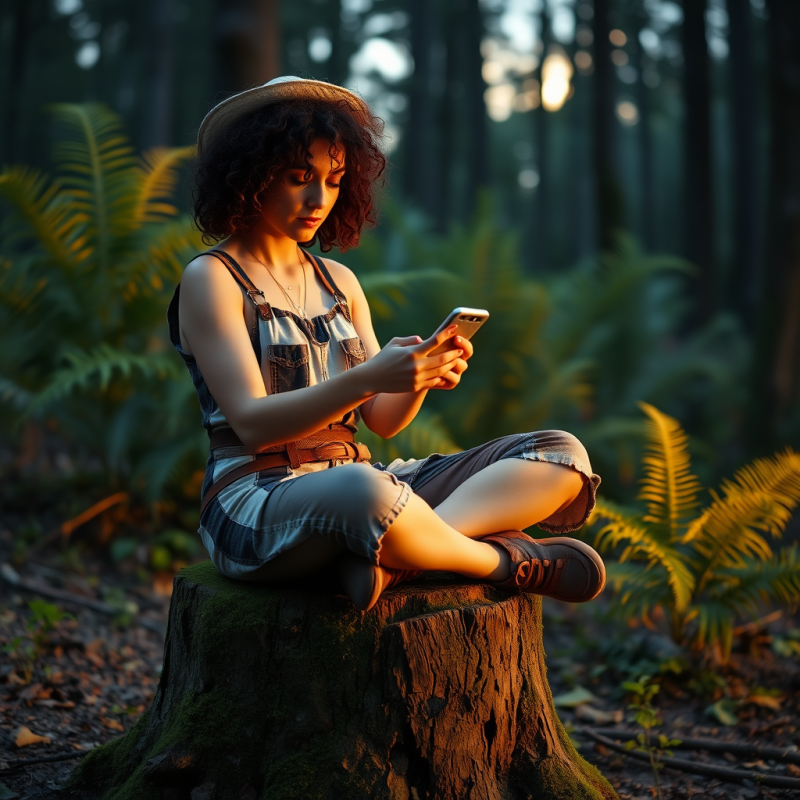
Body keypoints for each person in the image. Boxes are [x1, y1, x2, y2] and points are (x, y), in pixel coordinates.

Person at [167, 75, 606, 612]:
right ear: (249, 176)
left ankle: (391, 558)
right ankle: (502, 562)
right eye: (298, 177)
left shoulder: (338, 282)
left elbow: (382, 420)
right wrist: (371, 375)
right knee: (369, 494)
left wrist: (419, 376)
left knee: (560, 454)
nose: (318, 199)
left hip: (361, 481)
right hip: (256, 498)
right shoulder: (213, 278)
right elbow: (253, 423)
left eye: (333, 180)